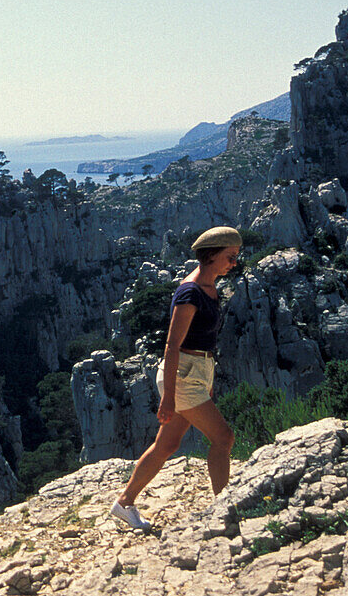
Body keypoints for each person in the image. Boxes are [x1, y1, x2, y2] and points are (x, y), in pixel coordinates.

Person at [110, 226, 242, 530]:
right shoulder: (190, 292)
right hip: (182, 375)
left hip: (197, 372)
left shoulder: (209, 288)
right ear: (211, 256)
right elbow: (172, 346)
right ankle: (224, 508)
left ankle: (124, 503)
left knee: (166, 445)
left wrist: (202, 380)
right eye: (230, 257)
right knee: (224, 438)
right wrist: (169, 396)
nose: (234, 264)